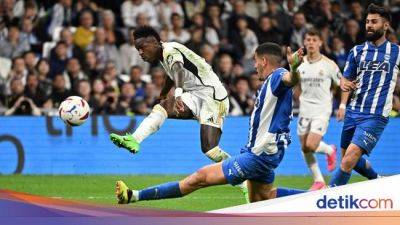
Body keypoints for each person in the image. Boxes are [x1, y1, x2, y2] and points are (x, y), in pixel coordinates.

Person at [114, 42, 305, 204]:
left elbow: (291, 79)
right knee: (263, 200)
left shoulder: (278, 76)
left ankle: (133, 196)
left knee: (198, 178)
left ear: (264, 61)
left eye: (255, 60)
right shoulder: (272, 81)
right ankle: (323, 197)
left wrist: (294, 68)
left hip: (258, 156)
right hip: (260, 154)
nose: (254, 66)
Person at [109, 26, 248, 199]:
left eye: (142, 47)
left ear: (154, 42)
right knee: (163, 107)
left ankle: (244, 176)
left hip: (213, 97)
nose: (140, 52)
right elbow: (172, 74)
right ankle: (134, 139)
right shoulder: (164, 55)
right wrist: (164, 91)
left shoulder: (170, 50)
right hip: (196, 94)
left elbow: (178, 70)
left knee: (210, 149)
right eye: (138, 49)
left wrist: (179, 94)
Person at [329, 4, 397, 187]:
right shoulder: (357, 51)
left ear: (385, 25)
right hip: (353, 112)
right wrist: (343, 87)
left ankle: (327, 198)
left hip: (375, 115)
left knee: (347, 160)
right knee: (347, 158)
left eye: (374, 22)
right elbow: (346, 79)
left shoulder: (396, 52)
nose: (369, 25)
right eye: (367, 21)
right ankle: (377, 181)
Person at [296, 29, 343, 191]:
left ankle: (330, 150)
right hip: (304, 109)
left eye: (314, 40)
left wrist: (342, 106)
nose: (310, 43)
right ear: (304, 42)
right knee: (304, 148)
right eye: (308, 40)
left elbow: (343, 86)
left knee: (310, 144)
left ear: (320, 43)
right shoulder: (299, 63)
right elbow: (295, 82)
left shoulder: (329, 65)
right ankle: (319, 181)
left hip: (322, 110)